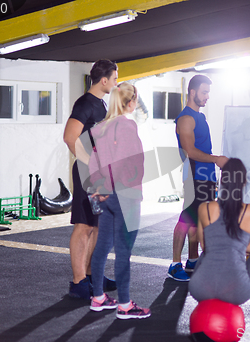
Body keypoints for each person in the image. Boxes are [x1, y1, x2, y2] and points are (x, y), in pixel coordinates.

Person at [188, 158, 250, 333]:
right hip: (236, 291)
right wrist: (237, 246)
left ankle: (204, 310)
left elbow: (205, 246)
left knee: (204, 256)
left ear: (222, 180)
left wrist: (229, 245)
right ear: (244, 182)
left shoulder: (204, 208)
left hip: (200, 288)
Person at [87, 82, 151, 319]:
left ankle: (98, 298)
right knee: (123, 252)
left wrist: (99, 187)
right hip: (124, 196)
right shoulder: (126, 125)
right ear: (131, 102)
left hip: (104, 197)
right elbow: (127, 164)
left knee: (102, 246)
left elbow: (93, 163)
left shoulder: (101, 128)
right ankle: (124, 305)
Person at [63, 59, 118, 299]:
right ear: (104, 80)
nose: (116, 83)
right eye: (115, 78)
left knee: (97, 226)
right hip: (87, 173)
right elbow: (69, 137)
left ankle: (92, 275)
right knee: (84, 226)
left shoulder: (102, 105)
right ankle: (78, 282)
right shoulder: (85, 103)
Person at [167, 75, 228, 281]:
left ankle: (192, 260)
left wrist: (214, 165)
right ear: (192, 92)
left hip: (207, 175)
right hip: (194, 175)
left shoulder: (200, 117)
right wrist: (216, 159)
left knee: (197, 220)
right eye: (204, 92)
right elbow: (190, 151)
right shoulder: (186, 118)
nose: (207, 96)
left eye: (208, 92)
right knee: (186, 218)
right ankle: (175, 264)